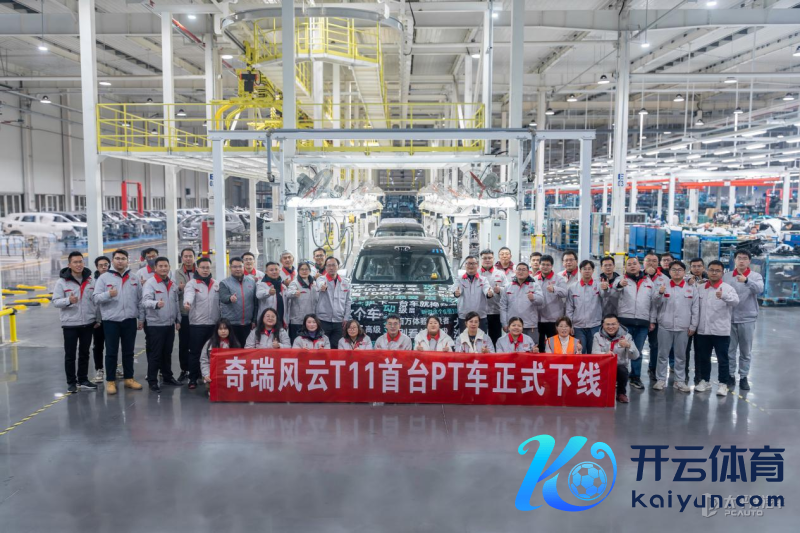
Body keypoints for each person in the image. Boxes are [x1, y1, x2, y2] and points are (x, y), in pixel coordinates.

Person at [93, 249, 144, 395]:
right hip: (111, 321)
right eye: (117, 258)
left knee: (129, 351)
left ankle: (129, 378)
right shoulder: (103, 278)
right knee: (111, 352)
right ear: (112, 261)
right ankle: (110, 380)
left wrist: (141, 318)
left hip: (129, 320)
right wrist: (108, 294)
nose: (120, 261)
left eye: (123, 258)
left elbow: (140, 300)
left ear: (127, 261)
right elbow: (95, 298)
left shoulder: (134, 278)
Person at [53, 251, 99, 393]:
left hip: (88, 323)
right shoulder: (62, 282)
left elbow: (95, 301)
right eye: (75, 262)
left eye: (81, 261)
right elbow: (55, 302)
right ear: (69, 265)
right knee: (70, 355)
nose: (79, 264)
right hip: (70, 324)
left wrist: (97, 319)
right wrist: (68, 300)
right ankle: (71, 382)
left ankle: (83, 379)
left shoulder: (91, 281)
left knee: (85, 353)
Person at [693, 260, 740, 396]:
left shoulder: (727, 288)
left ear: (722, 273)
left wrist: (724, 296)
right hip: (703, 330)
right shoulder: (701, 288)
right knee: (704, 357)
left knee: (722, 359)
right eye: (711, 270)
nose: (714, 273)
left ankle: (723, 384)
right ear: (707, 271)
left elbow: (736, 302)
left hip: (721, 331)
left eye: (717, 270)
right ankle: (705, 381)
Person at [652, 260, 698, 393]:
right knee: (662, 354)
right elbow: (655, 303)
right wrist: (659, 293)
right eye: (673, 269)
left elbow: (695, 309)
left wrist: (693, 326)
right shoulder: (663, 285)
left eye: (679, 270)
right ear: (669, 271)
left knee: (681, 355)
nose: (677, 272)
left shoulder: (691, 288)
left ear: (684, 272)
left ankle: (679, 381)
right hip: (665, 325)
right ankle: (661, 379)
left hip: (683, 326)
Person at [723, 250, 764, 391]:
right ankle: (730, 375)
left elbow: (759, 289)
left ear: (749, 261)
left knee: (745, 351)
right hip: (730, 319)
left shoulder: (755, 276)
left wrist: (746, 281)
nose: (741, 261)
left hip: (747, 318)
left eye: (745, 258)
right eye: (739, 258)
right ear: (734, 260)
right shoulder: (727, 276)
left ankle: (744, 377)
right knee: (730, 350)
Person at [615, 256, 657, 390]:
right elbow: (612, 294)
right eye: (629, 264)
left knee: (637, 351)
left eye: (635, 263)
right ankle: (618, 377)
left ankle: (635, 377)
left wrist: (652, 320)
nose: (632, 266)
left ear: (640, 266)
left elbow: (653, 303)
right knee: (621, 350)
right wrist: (619, 286)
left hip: (642, 323)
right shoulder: (621, 280)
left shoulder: (649, 282)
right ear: (625, 267)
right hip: (624, 322)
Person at [141, 257, 182, 393]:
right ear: (155, 268)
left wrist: (178, 320)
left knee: (167, 353)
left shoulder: (172, 284)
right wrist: (156, 304)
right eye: (161, 266)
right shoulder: (150, 283)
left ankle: (167, 377)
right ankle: (152, 380)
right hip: (155, 324)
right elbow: (145, 302)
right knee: (155, 354)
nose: (164, 268)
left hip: (169, 324)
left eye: (166, 266)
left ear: (169, 267)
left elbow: (176, 303)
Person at [183, 257, 220, 390]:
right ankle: (192, 378)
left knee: (212, 352)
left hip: (213, 324)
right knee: (195, 352)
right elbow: (189, 295)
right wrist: (187, 303)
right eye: (203, 267)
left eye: (207, 267)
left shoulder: (216, 284)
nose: (205, 270)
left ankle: (211, 376)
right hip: (197, 324)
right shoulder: (192, 284)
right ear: (197, 268)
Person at [592, 314, 640, 403]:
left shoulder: (627, 336)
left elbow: (635, 356)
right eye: (608, 324)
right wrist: (605, 354)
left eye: (613, 324)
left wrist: (628, 346)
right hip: (603, 366)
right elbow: (594, 354)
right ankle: (599, 393)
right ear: (603, 325)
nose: (610, 327)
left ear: (618, 324)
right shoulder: (597, 336)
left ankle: (621, 393)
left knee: (622, 370)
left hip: (619, 366)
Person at [313, 257, 351, 349]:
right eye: (329, 265)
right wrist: (322, 287)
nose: (331, 268)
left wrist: (346, 318)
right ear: (325, 267)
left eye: (333, 265)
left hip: (339, 321)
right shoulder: (321, 279)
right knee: (322, 346)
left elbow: (348, 301)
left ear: (338, 266)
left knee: (337, 346)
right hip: (323, 320)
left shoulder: (345, 282)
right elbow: (320, 284)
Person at [219, 257, 257, 347]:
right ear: (230, 268)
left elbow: (255, 303)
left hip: (247, 324)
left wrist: (254, 320)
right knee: (233, 350)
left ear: (244, 267)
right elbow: (223, 297)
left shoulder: (251, 282)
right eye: (234, 267)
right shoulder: (224, 283)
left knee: (247, 349)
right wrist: (230, 298)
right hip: (231, 324)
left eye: (240, 266)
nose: (238, 269)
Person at [566, 260, 603, 353]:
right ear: (580, 270)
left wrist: (606, 288)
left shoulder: (599, 286)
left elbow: (606, 298)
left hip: (595, 326)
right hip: (578, 326)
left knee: (594, 352)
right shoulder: (573, 287)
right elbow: (569, 308)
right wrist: (570, 325)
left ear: (593, 270)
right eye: (584, 269)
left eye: (589, 269)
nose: (587, 271)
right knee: (579, 352)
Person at [643, 252, 669, 381]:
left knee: (655, 346)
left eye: (654, 261)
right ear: (643, 262)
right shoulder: (638, 277)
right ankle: (633, 373)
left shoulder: (665, 279)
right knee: (634, 346)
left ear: (658, 263)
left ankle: (653, 369)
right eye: (648, 260)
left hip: (658, 318)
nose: (651, 263)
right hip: (641, 317)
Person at [499, 262, 542, 340]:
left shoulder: (534, 285)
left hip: (530, 325)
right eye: (519, 269)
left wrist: (533, 297)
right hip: (513, 326)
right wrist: (504, 323)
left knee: (532, 347)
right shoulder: (508, 286)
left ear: (528, 272)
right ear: (515, 271)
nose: (521, 272)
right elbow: (503, 306)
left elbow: (541, 301)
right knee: (512, 347)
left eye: (523, 270)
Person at [452, 255, 494, 333]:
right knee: (465, 338)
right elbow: (456, 290)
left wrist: (489, 293)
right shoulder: (459, 279)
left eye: (473, 263)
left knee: (481, 338)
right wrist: (457, 293)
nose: (471, 266)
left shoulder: (483, 280)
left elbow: (487, 289)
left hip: (480, 316)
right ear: (465, 265)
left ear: (477, 265)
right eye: (468, 263)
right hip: (464, 316)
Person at [536, 255, 568, 349]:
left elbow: (565, 293)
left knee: (554, 347)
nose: (545, 267)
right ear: (539, 265)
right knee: (539, 346)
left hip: (553, 319)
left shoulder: (559, 279)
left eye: (548, 265)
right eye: (543, 264)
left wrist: (555, 289)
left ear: (552, 266)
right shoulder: (534, 279)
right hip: (538, 319)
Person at [684, 257, 707, 385]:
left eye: (699, 266)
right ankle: (684, 375)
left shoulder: (708, 281)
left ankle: (699, 376)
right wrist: (687, 279)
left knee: (700, 351)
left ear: (703, 267)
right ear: (690, 268)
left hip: (702, 322)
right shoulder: (685, 280)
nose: (696, 268)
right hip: (687, 321)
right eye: (694, 266)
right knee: (685, 350)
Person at [174, 247, 196, 382]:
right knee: (184, 344)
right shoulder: (176, 273)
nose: (188, 259)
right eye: (185, 256)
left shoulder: (200, 271)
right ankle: (184, 369)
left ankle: (198, 370)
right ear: (182, 258)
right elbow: (172, 292)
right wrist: (179, 288)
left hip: (198, 314)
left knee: (198, 343)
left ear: (194, 257)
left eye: (190, 256)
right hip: (184, 314)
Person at [200, 319, 241, 385]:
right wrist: (206, 374)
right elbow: (204, 360)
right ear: (217, 330)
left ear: (229, 330)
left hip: (230, 374)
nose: (223, 331)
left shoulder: (235, 344)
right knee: (209, 384)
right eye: (220, 329)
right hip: (213, 373)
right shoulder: (210, 343)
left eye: (225, 328)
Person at [479, 249, 508, 344]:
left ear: (493, 259)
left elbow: (508, 290)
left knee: (495, 339)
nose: (487, 260)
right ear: (481, 259)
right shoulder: (476, 273)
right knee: (480, 339)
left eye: (490, 258)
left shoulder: (500, 274)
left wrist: (500, 290)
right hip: (479, 312)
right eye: (485, 258)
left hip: (496, 312)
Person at [285, 262, 318, 343]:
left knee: (309, 344)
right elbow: (288, 293)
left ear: (310, 271)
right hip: (297, 321)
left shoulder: (313, 283)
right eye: (302, 269)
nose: (304, 271)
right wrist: (294, 293)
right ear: (298, 271)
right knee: (296, 343)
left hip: (311, 321)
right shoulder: (294, 283)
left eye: (306, 269)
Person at [91, 255, 110, 382]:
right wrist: (95, 319)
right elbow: (93, 302)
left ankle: (112, 367)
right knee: (98, 345)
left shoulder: (114, 280)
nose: (103, 267)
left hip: (112, 318)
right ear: (97, 267)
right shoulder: (92, 282)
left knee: (112, 346)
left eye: (106, 265)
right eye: (101, 265)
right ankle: (99, 369)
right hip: (98, 320)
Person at [256, 262, 285, 327]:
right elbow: (258, 295)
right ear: (266, 272)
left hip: (281, 318)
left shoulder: (283, 285)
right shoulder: (261, 284)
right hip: (267, 319)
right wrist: (268, 292)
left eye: (276, 269)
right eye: (271, 270)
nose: (274, 272)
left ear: (279, 270)